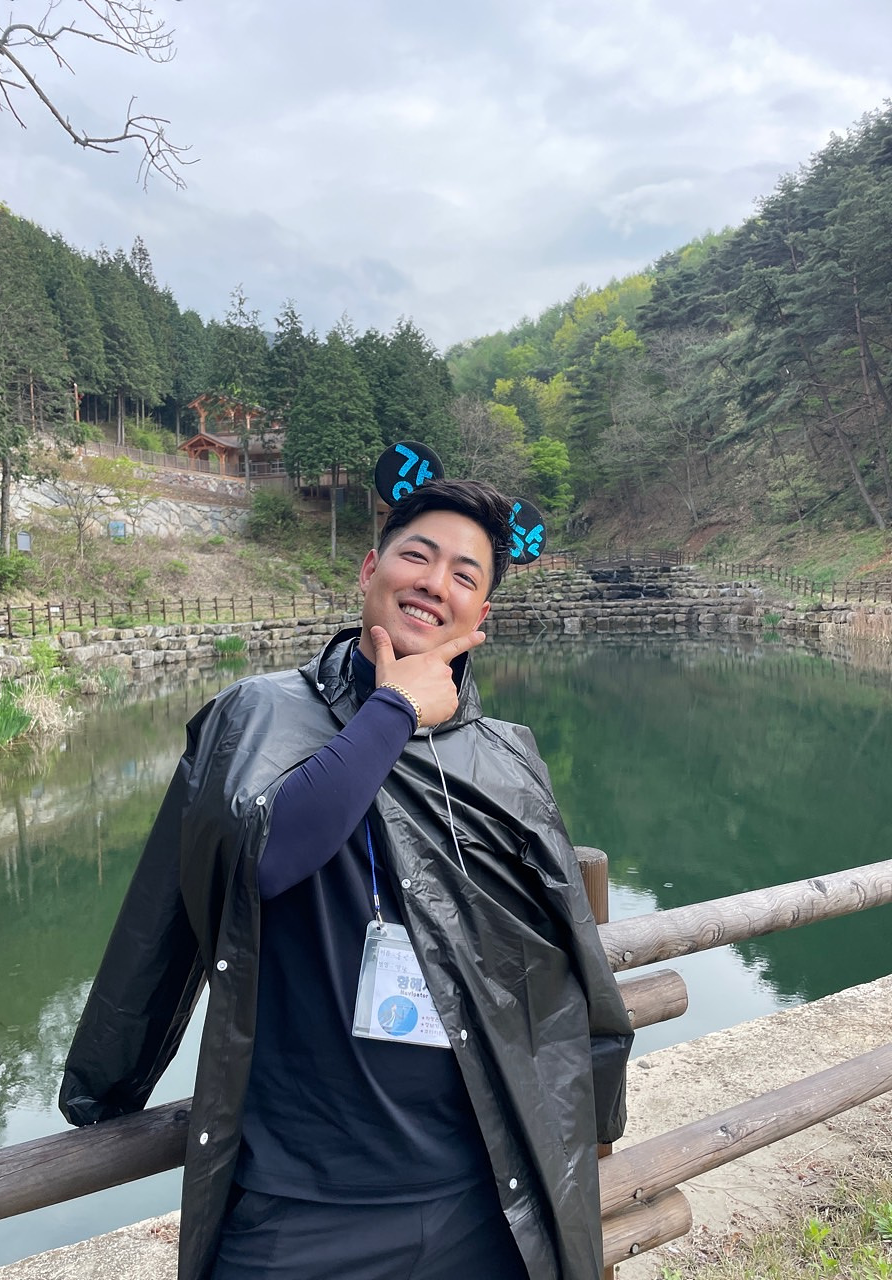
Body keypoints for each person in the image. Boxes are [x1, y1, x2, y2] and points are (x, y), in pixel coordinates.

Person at [60, 478, 633, 1280]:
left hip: (482, 1196)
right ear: (370, 569)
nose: (434, 583)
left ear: (482, 614)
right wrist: (392, 711)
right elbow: (252, 864)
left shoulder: (506, 755)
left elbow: (562, 953)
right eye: (417, 556)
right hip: (298, 1211)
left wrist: (596, 1102)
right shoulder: (255, 715)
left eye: (464, 575)